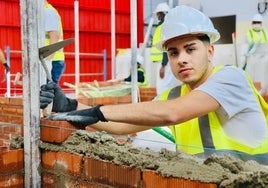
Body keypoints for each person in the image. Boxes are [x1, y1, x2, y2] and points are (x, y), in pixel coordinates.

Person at [40, 5, 268, 165]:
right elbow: (124, 126)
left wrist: (98, 111)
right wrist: (71, 106)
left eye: (190, 49)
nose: (182, 59)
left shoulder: (231, 77)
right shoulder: (174, 93)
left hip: (252, 179)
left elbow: (172, 113)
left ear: (210, 51)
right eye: (174, 53)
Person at [150, 2, 178, 95]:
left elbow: (167, 46)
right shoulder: (163, 26)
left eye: (158, 14)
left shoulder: (165, 26)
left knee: (162, 87)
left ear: (162, 14)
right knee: (165, 86)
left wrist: (163, 65)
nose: (157, 16)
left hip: (165, 63)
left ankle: (162, 106)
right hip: (165, 62)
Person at [44, 0, 65, 84]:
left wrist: (48, 61)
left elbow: (54, 38)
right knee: (48, 93)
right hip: (50, 60)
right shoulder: (45, 12)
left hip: (52, 60)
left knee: (49, 93)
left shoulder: (48, 12)